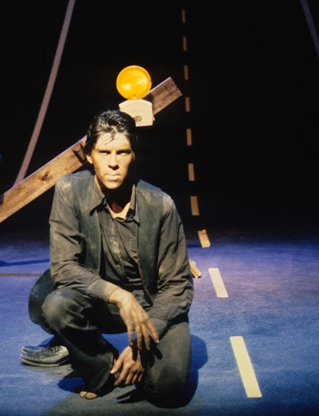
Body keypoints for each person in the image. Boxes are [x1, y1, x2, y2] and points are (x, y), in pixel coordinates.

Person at [20, 110, 193, 406]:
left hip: (152, 306)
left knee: (168, 390)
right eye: (104, 152)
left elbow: (178, 286)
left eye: (122, 152)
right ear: (89, 155)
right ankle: (104, 368)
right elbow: (63, 267)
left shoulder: (160, 204)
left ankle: (134, 365)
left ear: (133, 155)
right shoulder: (69, 191)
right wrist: (119, 295)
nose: (113, 162)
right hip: (100, 300)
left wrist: (141, 348)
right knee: (55, 305)